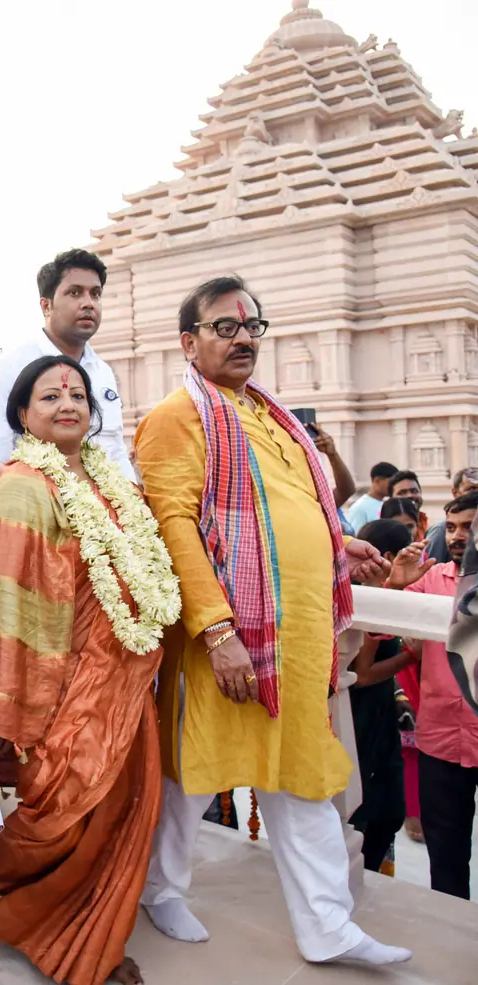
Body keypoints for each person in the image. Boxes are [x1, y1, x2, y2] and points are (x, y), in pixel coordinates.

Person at [134, 275, 409, 966]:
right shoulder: (178, 414)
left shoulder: (271, 414)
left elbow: (275, 509)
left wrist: (340, 544)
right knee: (188, 778)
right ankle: (160, 889)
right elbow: (176, 527)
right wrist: (219, 633)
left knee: (301, 779)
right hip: (225, 641)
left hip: (295, 635)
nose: (244, 337)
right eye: (225, 327)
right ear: (188, 342)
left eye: (252, 325)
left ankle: (328, 926)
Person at [0, 355, 178, 985]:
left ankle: (86, 941)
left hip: (128, 674)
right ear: (23, 415)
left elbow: (149, 562)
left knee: (126, 805)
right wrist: (12, 704)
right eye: (49, 396)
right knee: (66, 810)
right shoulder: (23, 485)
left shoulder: (114, 484)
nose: (67, 404)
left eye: (77, 393)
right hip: (67, 684)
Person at [0, 249, 133, 503]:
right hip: (37, 517)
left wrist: (137, 509)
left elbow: (114, 450)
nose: (88, 302)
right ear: (46, 305)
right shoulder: (11, 369)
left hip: (105, 523)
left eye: (95, 293)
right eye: (75, 292)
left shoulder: (101, 372)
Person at [399, 490, 478, 898]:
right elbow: (387, 631)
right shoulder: (430, 579)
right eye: (451, 527)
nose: (457, 536)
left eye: (468, 526)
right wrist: (395, 585)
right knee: (446, 858)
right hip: (441, 739)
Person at [346, 519, 428, 874]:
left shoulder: (382, 594)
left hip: (379, 718)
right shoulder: (359, 598)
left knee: (390, 810)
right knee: (370, 813)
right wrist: (412, 656)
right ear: (389, 557)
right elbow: (362, 674)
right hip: (359, 720)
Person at [426, 468, 478, 563]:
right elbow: (431, 566)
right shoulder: (440, 529)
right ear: (455, 493)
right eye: (472, 489)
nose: (456, 536)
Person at [345, 461, 399, 531]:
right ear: (377, 480)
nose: (394, 486)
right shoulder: (360, 507)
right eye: (391, 482)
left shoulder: (387, 504)